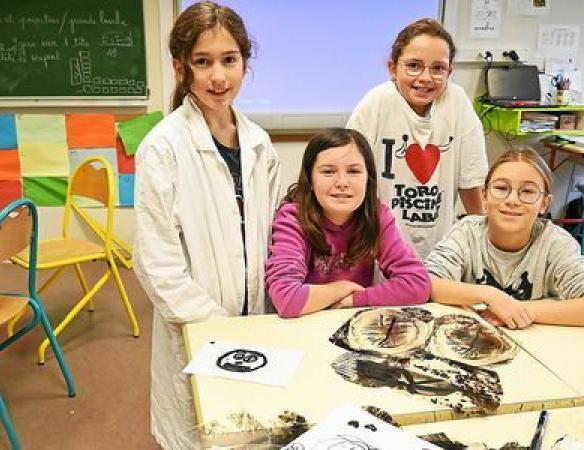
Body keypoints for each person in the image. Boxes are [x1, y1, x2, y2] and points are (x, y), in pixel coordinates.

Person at [133, 2, 280, 448]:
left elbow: (273, 238)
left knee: (254, 429)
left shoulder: (259, 143)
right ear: (181, 67)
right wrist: (218, 326)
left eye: (229, 61)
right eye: (203, 62)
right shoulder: (163, 147)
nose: (218, 77)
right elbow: (156, 264)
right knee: (200, 432)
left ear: (244, 64)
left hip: (258, 319)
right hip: (198, 325)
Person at [426, 147, 584, 329]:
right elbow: (427, 283)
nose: (512, 200)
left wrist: (520, 310)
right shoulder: (466, 233)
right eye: (501, 188)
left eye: (527, 191)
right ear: (484, 197)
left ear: (544, 203)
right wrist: (490, 296)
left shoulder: (555, 243)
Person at [347, 18, 488, 259]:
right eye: (413, 65)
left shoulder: (457, 103)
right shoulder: (376, 103)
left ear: (449, 72)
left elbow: (470, 181)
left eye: (438, 68)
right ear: (393, 68)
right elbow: (349, 172)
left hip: (439, 243)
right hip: (379, 243)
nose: (425, 77)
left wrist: (484, 244)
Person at [266, 128, 430, 318]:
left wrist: (356, 299)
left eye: (353, 171)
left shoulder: (377, 216)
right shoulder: (293, 218)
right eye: (328, 171)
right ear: (310, 179)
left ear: (368, 179)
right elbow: (287, 299)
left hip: (352, 321)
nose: (342, 182)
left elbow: (418, 283)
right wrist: (343, 288)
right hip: (303, 325)